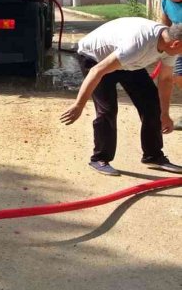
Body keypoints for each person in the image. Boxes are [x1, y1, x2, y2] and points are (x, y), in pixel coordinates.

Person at [60, 17, 182, 176]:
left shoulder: (170, 45)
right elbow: (97, 71)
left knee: (152, 103)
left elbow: (165, 79)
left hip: (126, 61)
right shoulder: (137, 45)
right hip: (96, 58)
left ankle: (153, 155)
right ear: (176, 45)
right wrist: (79, 104)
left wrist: (164, 114)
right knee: (108, 108)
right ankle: (99, 158)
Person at [152, 0, 182, 128]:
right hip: (178, 44)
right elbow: (165, 25)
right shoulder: (165, 2)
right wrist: (164, 46)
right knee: (178, 77)